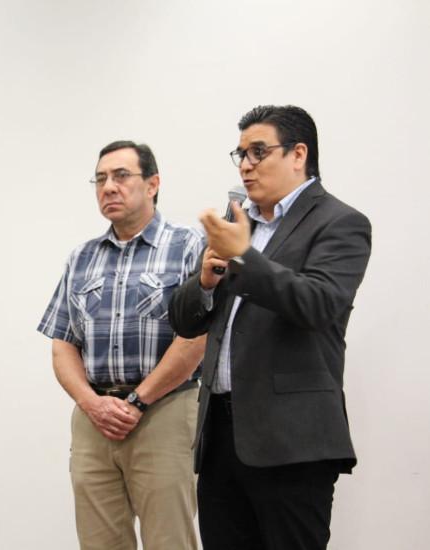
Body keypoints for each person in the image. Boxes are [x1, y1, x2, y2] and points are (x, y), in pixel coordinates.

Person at [169, 105, 372, 550]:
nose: (245, 165)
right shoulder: (236, 223)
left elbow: (317, 304)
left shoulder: (341, 222)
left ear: (298, 154)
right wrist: (205, 282)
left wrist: (243, 257)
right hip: (221, 439)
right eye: (240, 154)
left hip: (292, 443)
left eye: (258, 151)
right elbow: (183, 321)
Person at [37, 140, 206, 550]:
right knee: (100, 543)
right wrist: (92, 404)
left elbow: (196, 339)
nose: (108, 187)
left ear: (153, 184)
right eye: (100, 179)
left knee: (170, 541)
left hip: (165, 411)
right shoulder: (82, 257)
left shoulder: (188, 245)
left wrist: (138, 401)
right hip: (94, 418)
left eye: (121, 176)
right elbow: (63, 344)